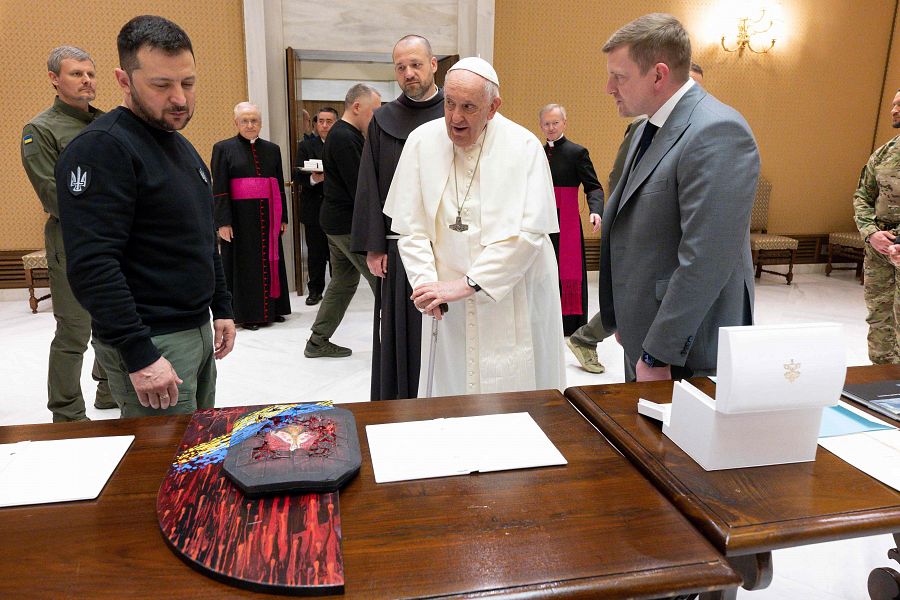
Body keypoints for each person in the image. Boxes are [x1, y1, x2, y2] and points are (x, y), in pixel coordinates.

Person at [56, 15, 235, 417]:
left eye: (187, 83)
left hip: (195, 331)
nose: (179, 99)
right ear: (124, 80)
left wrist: (220, 306)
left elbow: (202, 236)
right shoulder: (103, 148)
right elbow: (92, 265)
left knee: (196, 453)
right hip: (153, 342)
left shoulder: (179, 145)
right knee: (162, 469)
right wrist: (139, 354)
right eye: (161, 85)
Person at [384, 57, 565, 397]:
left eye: (468, 107)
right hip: (445, 297)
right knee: (452, 386)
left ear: (493, 107)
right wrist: (426, 286)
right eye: (449, 104)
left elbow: (528, 236)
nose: (455, 118)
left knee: (515, 384)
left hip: (512, 291)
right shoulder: (421, 142)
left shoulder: (524, 147)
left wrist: (470, 283)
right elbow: (410, 228)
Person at [598, 14, 758, 382]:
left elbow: (706, 259)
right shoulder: (647, 126)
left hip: (687, 346)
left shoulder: (717, 131)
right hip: (646, 329)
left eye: (619, 77)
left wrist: (658, 353)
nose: (609, 87)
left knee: (677, 441)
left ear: (658, 75)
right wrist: (624, 317)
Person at [567, 61, 705, 375]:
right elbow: (621, 186)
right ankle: (586, 337)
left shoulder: (710, 131)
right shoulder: (643, 130)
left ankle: (588, 336)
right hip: (646, 261)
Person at [21, 46, 114, 422]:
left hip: (116, 240)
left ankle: (109, 390)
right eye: (76, 73)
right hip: (72, 242)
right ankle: (67, 412)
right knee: (74, 330)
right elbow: (51, 193)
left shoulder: (108, 123)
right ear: (54, 79)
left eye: (90, 73)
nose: (86, 80)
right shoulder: (40, 130)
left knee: (115, 319)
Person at [351, 35, 445, 400]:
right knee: (402, 330)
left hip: (447, 246)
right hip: (399, 247)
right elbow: (369, 184)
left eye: (416, 64)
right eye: (401, 67)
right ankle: (402, 401)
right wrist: (374, 247)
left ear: (433, 64)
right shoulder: (383, 121)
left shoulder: (452, 114)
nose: (409, 73)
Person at [304, 84, 381, 358]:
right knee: (381, 281)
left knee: (343, 283)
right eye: (374, 111)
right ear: (357, 107)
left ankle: (317, 341)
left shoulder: (344, 135)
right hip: (348, 225)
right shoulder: (345, 137)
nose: (376, 117)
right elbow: (360, 187)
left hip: (337, 223)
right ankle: (391, 346)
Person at [211, 102, 291, 330]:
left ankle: (273, 309)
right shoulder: (223, 148)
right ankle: (248, 315)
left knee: (270, 260)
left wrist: (282, 216)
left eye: (254, 120)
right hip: (240, 219)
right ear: (236, 123)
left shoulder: (272, 149)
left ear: (261, 123)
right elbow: (220, 188)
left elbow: (277, 184)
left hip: (269, 215)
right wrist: (223, 222)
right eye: (245, 120)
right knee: (245, 265)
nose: (250, 124)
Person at [540, 103, 604, 337]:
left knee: (567, 272)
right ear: (541, 125)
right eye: (546, 123)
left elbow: (593, 187)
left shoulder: (577, 152)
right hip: (542, 220)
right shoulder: (536, 153)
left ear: (564, 123)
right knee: (543, 270)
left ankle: (569, 325)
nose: (551, 127)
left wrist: (596, 210)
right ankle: (544, 319)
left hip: (566, 220)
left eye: (555, 123)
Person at [854, 89, 900, 364]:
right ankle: (882, 379)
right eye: (893, 105)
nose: (894, 110)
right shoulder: (885, 152)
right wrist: (871, 233)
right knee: (879, 316)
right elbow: (862, 195)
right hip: (879, 250)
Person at [296, 107, 338, 305]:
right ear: (315, 124)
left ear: (335, 124)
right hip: (313, 207)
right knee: (315, 253)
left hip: (336, 207)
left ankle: (336, 292)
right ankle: (315, 290)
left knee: (337, 253)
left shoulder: (342, 143)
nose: (324, 125)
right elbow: (298, 175)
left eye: (329, 121)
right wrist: (313, 178)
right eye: (321, 121)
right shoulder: (306, 146)